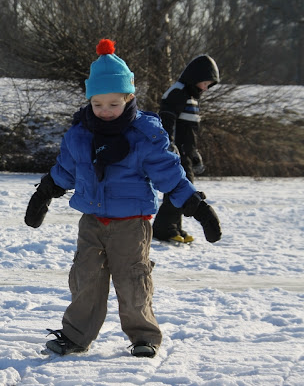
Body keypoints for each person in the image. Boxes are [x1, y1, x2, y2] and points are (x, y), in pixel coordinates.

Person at [24, 39, 221, 358]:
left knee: (133, 280)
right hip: (91, 221)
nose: (104, 111)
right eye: (98, 104)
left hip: (131, 223)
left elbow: (170, 175)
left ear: (129, 98)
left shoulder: (144, 136)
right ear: (90, 100)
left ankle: (144, 335)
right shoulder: (80, 135)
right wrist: (45, 192)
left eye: (113, 104)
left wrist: (196, 207)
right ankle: (76, 335)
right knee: (85, 278)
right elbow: (66, 170)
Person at [152, 55, 220, 244]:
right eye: (205, 83)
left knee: (184, 189)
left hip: (185, 153)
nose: (206, 88)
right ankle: (163, 228)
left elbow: (189, 132)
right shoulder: (178, 92)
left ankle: (174, 226)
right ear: (195, 77)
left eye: (209, 85)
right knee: (180, 190)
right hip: (176, 153)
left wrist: (194, 153)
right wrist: (169, 144)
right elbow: (167, 120)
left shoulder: (191, 97)